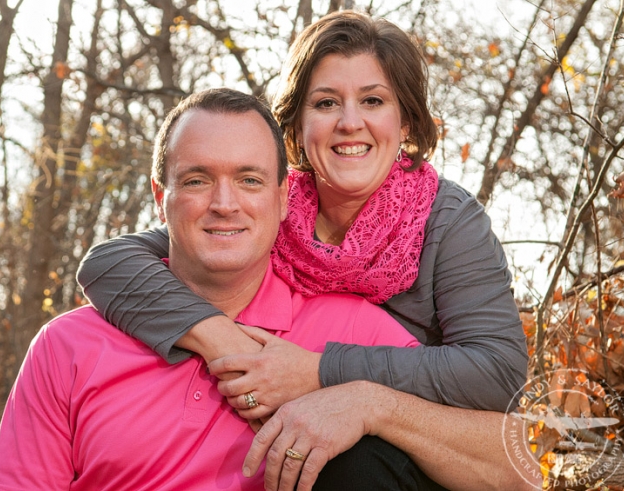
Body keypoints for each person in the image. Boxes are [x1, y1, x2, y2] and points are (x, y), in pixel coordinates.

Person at [76, 12, 533, 491]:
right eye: (326, 102)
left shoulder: (446, 218)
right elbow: (112, 264)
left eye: (373, 101)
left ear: (406, 122)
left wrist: (326, 375)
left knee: (355, 462)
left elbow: (497, 374)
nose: (349, 123)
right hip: (298, 449)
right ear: (295, 125)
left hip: (423, 456)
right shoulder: (266, 207)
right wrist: (221, 342)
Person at [0, 88, 428, 490]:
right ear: (160, 196)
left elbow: (491, 450)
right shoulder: (68, 346)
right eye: (197, 180)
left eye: (249, 180)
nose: (224, 204)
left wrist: (371, 404)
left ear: (284, 196)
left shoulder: (355, 329)